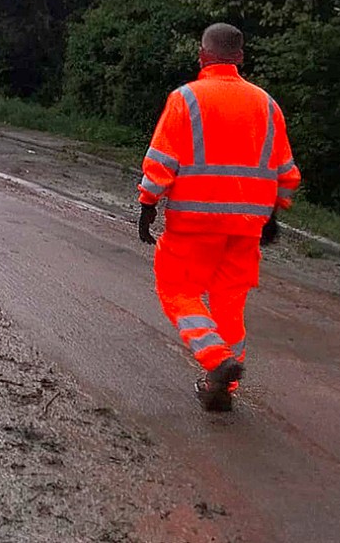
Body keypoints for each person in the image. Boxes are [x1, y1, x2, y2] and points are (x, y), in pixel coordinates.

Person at [137, 23, 301, 411]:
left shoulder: (186, 99)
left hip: (194, 222)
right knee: (229, 304)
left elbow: (162, 160)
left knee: (177, 290)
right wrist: (274, 215)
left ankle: (217, 361)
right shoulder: (267, 105)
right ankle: (222, 388)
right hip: (247, 227)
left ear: (202, 55)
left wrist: (147, 203)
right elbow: (287, 173)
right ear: (241, 57)